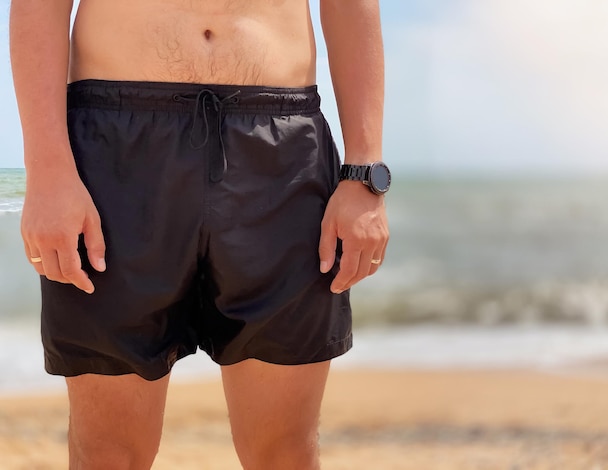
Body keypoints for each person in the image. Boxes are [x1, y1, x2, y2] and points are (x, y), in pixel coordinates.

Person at [9, 0, 390, 468]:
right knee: (107, 453)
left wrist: (364, 173)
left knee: (285, 453)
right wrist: (48, 175)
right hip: (115, 147)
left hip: (280, 146)